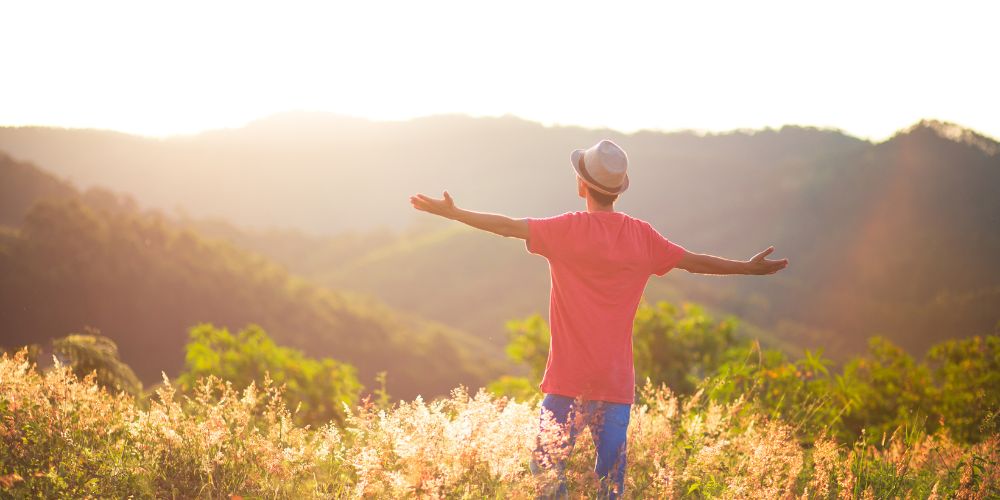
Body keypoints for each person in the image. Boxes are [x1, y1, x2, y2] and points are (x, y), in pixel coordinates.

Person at [409, 139, 788, 499]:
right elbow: (695, 262)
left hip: (566, 380)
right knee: (610, 485)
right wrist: (746, 268)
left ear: (581, 185)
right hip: (615, 384)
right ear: (619, 189)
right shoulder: (642, 237)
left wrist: (454, 213)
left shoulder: (566, 230)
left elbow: (508, 226)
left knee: (546, 473)